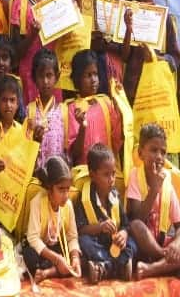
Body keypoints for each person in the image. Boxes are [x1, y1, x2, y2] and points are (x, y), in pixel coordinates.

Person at [122, 0, 180, 104]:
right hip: (132, 90)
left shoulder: (163, 16)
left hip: (155, 92)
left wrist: (158, 58)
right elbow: (124, 56)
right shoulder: (128, 11)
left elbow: (175, 57)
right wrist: (127, 29)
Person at [75, 144, 135, 283]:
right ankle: (118, 267)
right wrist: (100, 227)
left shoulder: (115, 195)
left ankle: (104, 268)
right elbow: (80, 229)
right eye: (106, 175)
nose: (112, 179)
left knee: (132, 242)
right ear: (93, 175)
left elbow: (126, 225)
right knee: (83, 241)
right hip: (97, 245)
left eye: (113, 173)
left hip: (113, 244)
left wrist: (123, 235)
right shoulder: (84, 199)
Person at [128, 124, 180, 279]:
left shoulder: (167, 180)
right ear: (140, 153)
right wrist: (154, 189)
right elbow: (138, 217)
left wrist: (176, 244)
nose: (159, 156)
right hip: (144, 246)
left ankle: (151, 269)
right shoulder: (135, 176)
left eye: (163, 152)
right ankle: (164, 260)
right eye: (153, 150)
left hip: (165, 242)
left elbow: (179, 225)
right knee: (135, 225)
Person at [22, 156, 81, 282]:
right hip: (41, 250)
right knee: (29, 255)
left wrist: (75, 257)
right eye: (60, 189)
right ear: (49, 188)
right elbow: (33, 238)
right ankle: (56, 270)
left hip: (55, 247)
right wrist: (57, 259)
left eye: (67, 189)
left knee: (82, 255)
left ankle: (47, 272)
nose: (65, 195)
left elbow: (72, 236)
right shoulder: (37, 202)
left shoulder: (68, 205)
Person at [9, 0, 56, 105]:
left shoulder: (56, 2)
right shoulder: (19, 4)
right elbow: (15, 53)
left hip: (52, 73)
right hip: (28, 73)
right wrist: (32, 35)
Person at [66, 50, 122, 166]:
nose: (94, 80)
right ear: (77, 79)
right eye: (88, 75)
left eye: (95, 74)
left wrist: (120, 109)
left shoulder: (106, 102)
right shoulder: (72, 108)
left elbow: (117, 141)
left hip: (107, 173)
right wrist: (82, 127)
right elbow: (75, 153)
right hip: (84, 174)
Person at [86, 0, 126, 91]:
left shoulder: (120, 3)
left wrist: (107, 45)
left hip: (114, 73)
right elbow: (79, 42)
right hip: (90, 74)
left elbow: (125, 50)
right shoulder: (85, 2)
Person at [27, 49, 71, 169]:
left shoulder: (64, 111)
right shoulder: (29, 111)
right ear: (34, 79)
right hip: (35, 177)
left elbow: (68, 150)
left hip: (57, 177)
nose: (45, 81)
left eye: (49, 75)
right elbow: (25, 151)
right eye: (41, 76)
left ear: (57, 77)